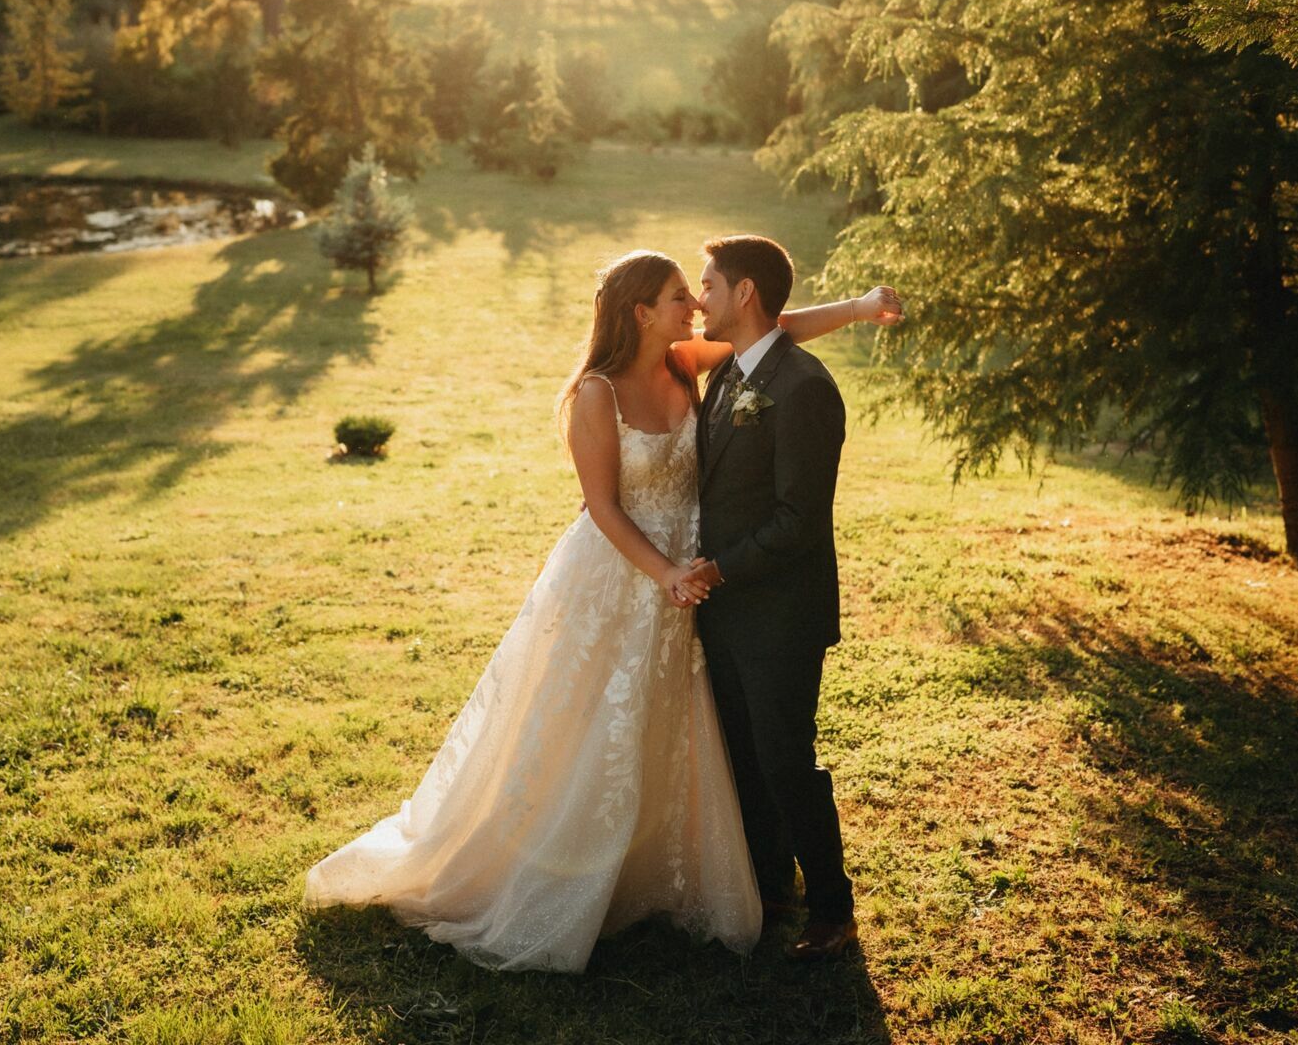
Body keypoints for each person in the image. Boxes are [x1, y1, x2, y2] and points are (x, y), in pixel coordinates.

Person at [303, 249, 900, 972]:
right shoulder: (599, 392)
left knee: (715, 732)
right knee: (605, 725)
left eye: (699, 291)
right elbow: (602, 507)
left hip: (710, 581)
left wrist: (862, 309)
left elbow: (774, 328)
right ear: (642, 312)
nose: (695, 305)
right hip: (633, 572)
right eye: (682, 296)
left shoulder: (690, 365)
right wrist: (668, 573)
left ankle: (772, 886)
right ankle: (589, 867)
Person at [677, 234, 889, 961]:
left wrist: (718, 569)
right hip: (724, 609)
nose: (699, 298)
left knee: (784, 760)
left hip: (779, 614)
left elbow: (800, 521)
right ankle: (773, 891)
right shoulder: (726, 376)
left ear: (745, 294)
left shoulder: (803, 388)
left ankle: (833, 909)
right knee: (742, 757)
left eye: (708, 284)